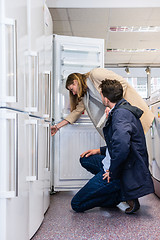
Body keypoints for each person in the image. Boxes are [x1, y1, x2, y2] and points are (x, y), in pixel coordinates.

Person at [71, 79, 154, 214]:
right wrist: (98, 151)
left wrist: (112, 171)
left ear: (106, 97)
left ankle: (118, 192)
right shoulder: (119, 110)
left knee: (76, 204)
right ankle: (114, 188)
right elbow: (117, 143)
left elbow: (122, 148)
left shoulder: (120, 115)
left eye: (101, 94)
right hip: (112, 163)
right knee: (85, 159)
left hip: (117, 170)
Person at [51, 68, 154, 137]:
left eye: (71, 88)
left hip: (135, 115)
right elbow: (76, 112)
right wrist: (57, 126)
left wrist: (112, 103)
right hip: (123, 123)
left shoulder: (95, 74)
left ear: (75, 81)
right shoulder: (85, 95)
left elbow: (122, 83)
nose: (73, 93)